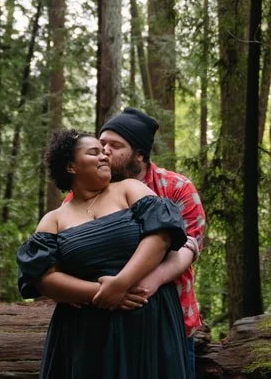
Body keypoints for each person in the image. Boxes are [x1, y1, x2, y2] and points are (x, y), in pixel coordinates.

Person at [17, 129, 190, 378]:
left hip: (147, 321)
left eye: (104, 152)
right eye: (94, 152)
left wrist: (121, 283)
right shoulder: (53, 219)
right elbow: (44, 278)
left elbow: (161, 237)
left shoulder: (130, 189)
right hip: (85, 333)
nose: (105, 156)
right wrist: (101, 293)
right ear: (71, 166)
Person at [98, 107, 207, 378]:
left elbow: (190, 244)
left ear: (140, 154)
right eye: (102, 144)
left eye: (115, 146)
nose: (105, 151)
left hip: (173, 322)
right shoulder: (89, 189)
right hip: (104, 325)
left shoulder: (177, 188)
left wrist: (151, 280)